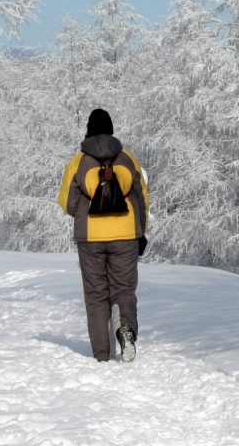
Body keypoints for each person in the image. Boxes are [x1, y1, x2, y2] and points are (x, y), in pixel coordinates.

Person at [57, 108, 149, 363]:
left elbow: (67, 203)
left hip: (91, 237)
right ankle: (125, 328)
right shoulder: (127, 158)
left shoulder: (78, 162)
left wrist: (88, 207)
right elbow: (142, 197)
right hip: (126, 233)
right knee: (124, 289)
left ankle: (102, 354)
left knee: (96, 293)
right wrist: (141, 231)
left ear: (88, 130)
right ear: (111, 130)